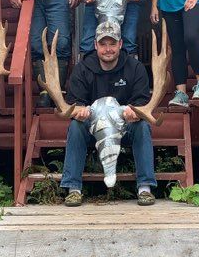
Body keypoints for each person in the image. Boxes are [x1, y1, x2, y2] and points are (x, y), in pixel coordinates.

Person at [60, 20, 157, 207]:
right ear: (95, 45)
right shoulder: (83, 68)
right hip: (93, 128)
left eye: (112, 44)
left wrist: (135, 112)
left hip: (124, 127)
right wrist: (79, 111)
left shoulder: (134, 67)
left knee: (142, 127)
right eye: (103, 44)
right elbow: (74, 103)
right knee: (76, 127)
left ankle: (145, 188)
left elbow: (142, 102)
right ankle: (73, 189)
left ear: (120, 44)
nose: (108, 49)